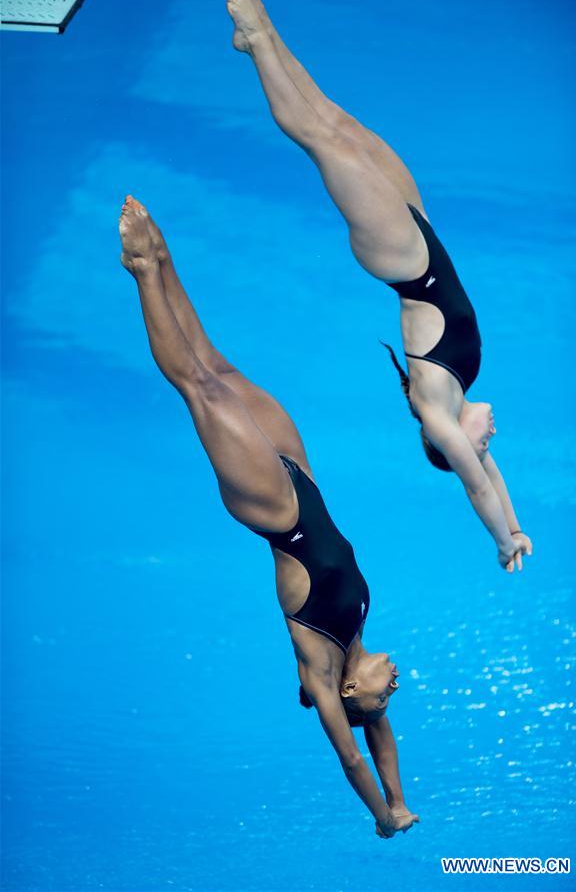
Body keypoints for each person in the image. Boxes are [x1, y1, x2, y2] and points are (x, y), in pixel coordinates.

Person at [118, 195, 419, 838]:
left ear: (347, 695)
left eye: (385, 694)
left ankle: (142, 269)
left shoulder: (320, 660)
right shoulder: (358, 639)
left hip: (275, 510)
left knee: (200, 387)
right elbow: (383, 738)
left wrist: (381, 818)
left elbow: (351, 752)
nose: (394, 685)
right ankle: (167, 259)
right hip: (302, 478)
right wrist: (401, 797)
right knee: (220, 365)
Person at [226, 0, 533, 573]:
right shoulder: (457, 393)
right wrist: (517, 525)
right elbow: (492, 475)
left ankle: (257, 39)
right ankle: (259, 35)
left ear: (449, 443)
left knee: (321, 142)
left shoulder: (437, 408)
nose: (490, 441)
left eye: (482, 446)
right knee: (340, 125)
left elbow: (476, 484)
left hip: (402, 257)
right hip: (420, 232)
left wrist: (499, 540)